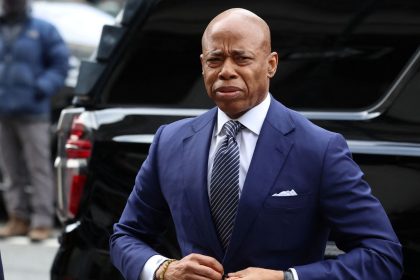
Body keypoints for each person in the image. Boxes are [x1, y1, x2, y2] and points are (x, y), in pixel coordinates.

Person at [110, 8, 403, 280]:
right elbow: (126, 236)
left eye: (241, 58)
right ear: (203, 66)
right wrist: (164, 270)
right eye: (215, 59)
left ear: (271, 64)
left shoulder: (319, 148)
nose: (226, 70)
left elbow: (382, 255)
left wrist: (287, 278)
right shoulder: (170, 141)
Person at [0, 0, 69, 241]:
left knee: (38, 168)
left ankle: (42, 221)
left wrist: (40, 88)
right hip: (3, 113)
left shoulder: (43, 29)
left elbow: (60, 65)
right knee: (10, 170)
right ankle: (17, 218)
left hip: (33, 112)